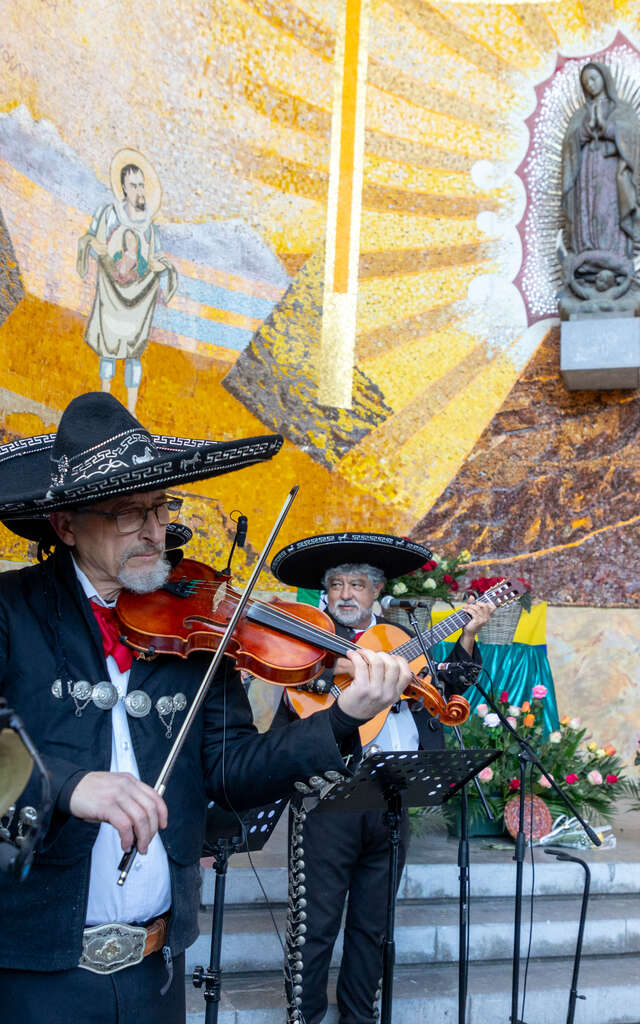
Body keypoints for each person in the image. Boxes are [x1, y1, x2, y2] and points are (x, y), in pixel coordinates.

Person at [0, 393, 414, 1024]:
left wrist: (342, 719)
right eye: (126, 513)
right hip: (28, 971)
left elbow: (233, 768)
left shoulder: (198, 626)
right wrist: (65, 786)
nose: (152, 530)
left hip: (154, 971)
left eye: (160, 508)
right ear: (65, 525)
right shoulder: (11, 610)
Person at [268, 533, 494, 1024]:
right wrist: (345, 670)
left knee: (373, 926)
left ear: (377, 593)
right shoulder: (306, 643)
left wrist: (469, 633)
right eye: (337, 585)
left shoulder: (402, 641)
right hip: (325, 803)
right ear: (325, 594)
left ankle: (358, 1019)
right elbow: (296, 699)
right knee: (315, 925)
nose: (346, 593)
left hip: (391, 799)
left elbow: (452, 678)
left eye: (358, 585)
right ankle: (301, 1018)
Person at [77, 150, 178, 414]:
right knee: (108, 349)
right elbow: (90, 240)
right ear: (123, 187)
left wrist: (159, 268)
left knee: (134, 353)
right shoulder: (109, 214)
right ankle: (104, 400)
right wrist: (97, 249)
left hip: (138, 299)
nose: (139, 190)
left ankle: (132, 410)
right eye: (134, 185)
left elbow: (156, 257)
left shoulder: (149, 226)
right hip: (111, 294)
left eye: (142, 185)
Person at [562, 62, 640, 260]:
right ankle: (586, 252)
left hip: (612, 170)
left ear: (604, 79)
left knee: (608, 207)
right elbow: (569, 145)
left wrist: (608, 129)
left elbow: (633, 140)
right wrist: (585, 131)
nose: (590, 84)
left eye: (593, 78)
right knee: (588, 208)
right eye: (585, 82)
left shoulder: (622, 110)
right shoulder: (579, 116)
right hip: (586, 171)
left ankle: (616, 255)